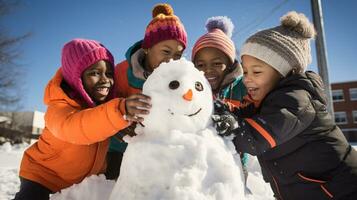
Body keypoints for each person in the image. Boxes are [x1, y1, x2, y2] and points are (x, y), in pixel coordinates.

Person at [212, 11, 357, 199]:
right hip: (304, 190)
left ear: (283, 72)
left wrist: (230, 125)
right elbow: (243, 114)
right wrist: (222, 109)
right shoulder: (265, 102)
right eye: (245, 72)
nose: (247, 80)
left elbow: (255, 138)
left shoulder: (296, 100)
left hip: (340, 191)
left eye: (256, 72)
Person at [14, 38, 151, 200]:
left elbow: (98, 125)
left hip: (85, 177)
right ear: (76, 76)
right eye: (94, 73)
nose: (105, 79)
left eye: (108, 73)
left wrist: (123, 127)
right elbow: (78, 128)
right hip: (43, 176)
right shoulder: (59, 107)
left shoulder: (101, 108)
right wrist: (119, 111)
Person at [105, 3, 187, 180]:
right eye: (165, 51)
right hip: (117, 149)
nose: (171, 60)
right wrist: (116, 126)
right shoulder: (122, 71)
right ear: (147, 48)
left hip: (154, 149)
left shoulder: (179, 78)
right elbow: (104, 103)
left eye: (177, 55)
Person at [191, 16, 250, 183]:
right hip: (200, 163)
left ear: (230, 65)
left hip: (235, 162)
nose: (208, 70)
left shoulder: (243, 87)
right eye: (200, 65)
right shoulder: (193, 91)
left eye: (217, 63)